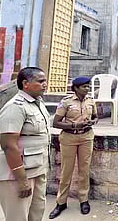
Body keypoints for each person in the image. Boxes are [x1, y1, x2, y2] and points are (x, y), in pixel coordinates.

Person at [0, 67, 50, 221]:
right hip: (17, 174)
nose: (45, 84)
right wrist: (22, 180)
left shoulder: (38, 103)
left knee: (36, 214)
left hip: (37, 169)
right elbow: (9, 145)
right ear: (25, 83)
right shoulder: (15, 107)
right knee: (17, 217)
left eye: (45, 81)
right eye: (40, 81)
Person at [48, 76, 98, 219]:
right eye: (84, 86)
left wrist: (92, 122)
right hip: (69, 138)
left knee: (84, 169)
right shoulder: (66, 102)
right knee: (66, 171)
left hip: (86, 137)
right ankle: (61, 203)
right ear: (76, 88)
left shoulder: (90, 101)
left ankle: (84, 200)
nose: (87, 89)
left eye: (88, 86)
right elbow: (56, 123)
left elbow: (95, 116)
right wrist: (74, 125)